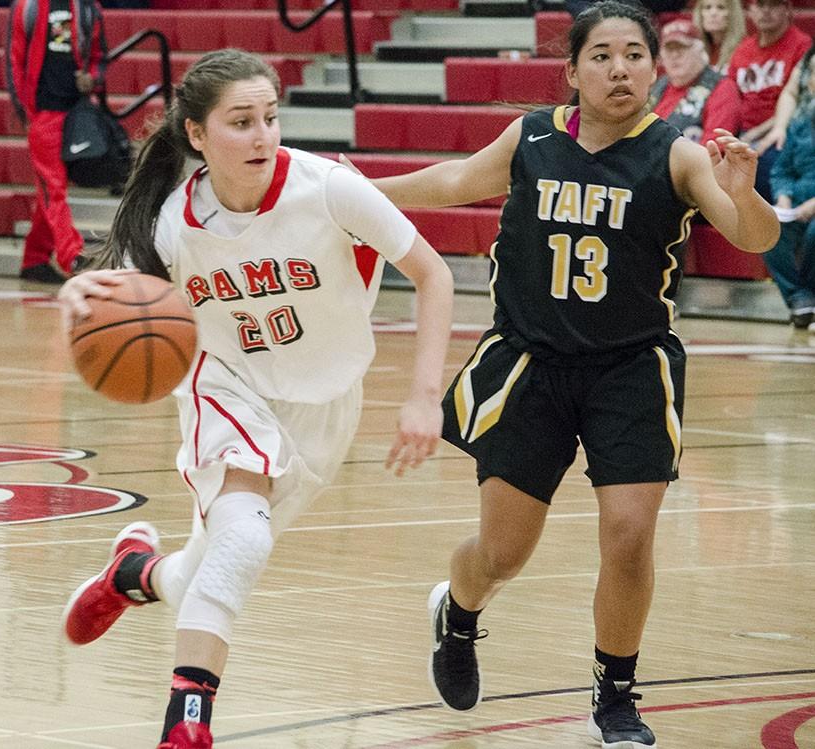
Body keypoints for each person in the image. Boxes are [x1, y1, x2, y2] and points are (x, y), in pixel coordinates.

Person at [344, 2, 779, 747]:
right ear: (572, 71)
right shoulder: (533, 136)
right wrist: (357, 192)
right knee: (502, 553)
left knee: (631, 533)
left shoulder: (676, 153)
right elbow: (455, 179)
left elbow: (755, 236)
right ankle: (460, 609)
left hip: (630, 367)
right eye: (603, 55)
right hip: (530, 362)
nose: (621, 69)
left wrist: (743, 191)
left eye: (635, 55)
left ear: (652, 68)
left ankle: (615, 694)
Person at [57, 49, 453, 749]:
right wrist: (76, 296)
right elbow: (103, 293)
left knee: (214, 563)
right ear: (198, 136)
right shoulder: (173, 223)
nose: (263, 135)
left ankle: (136, 573)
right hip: (226, 389)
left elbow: (433, 273)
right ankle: (186, 725)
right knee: (244, 537)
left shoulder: (328, 188)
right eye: (241, 122)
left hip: (326, 404)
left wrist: (425, 396)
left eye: (270, 117)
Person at [7, 0, 107, 283]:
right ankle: (72, 255)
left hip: (76, 114)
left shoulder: (89, 8)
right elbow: (14, 59)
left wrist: (94, 78)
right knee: (53, 187)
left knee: (51, 190)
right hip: (42, 113)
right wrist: (23, 110)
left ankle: (34, 260)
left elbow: (100, 57)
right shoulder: (27, 7)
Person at [726, 0, 811, 202]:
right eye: (760, 5)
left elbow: (798, 100)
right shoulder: (743, 49)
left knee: (763, 163)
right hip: (742, 131)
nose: (766, 11)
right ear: (751, 10)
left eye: (773, 5)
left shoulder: (802, 44)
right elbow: (730, 96)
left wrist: (756, 133)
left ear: (787, 9)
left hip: (782, 132)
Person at [766, 67, 815, 328]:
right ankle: (799, 298)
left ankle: (809, 293)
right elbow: (781, 170)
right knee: (769, 232)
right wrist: (783, 197)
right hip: (797, 201)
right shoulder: (800, 124)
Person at [650, 19, 742, 144]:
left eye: (681, 48)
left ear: (699, 50)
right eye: (668, 49)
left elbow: (714, 147)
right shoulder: (659, 84)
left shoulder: (722, 88)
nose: (674, 55)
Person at [756, 39, 815, 152]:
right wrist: (779, 128)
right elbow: (790, 93)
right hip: (795, 130)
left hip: (811, 136)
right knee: (757, 153)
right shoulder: (810, 54)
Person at [693, 0, 747, 72]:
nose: (713, 13)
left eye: (721, 7)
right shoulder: (695, 48)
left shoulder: (744, 48)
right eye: (707, 7)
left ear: (733, 14)